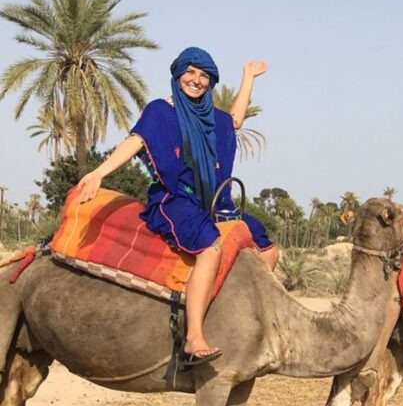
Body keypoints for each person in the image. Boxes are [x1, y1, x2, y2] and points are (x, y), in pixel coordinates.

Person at [76, 47, 279, 362]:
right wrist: (98, 173)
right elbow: (135, 141)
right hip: (176, 198)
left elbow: (236, 119)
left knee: (269, 250)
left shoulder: (212, 118)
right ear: (178, 74)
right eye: (191, 73)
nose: (196, 81)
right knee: (210, 246)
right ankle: (193, 336)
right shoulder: (161, 111)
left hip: (217, 201)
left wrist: (248, 77)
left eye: (204, 76)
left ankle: (236, 311)